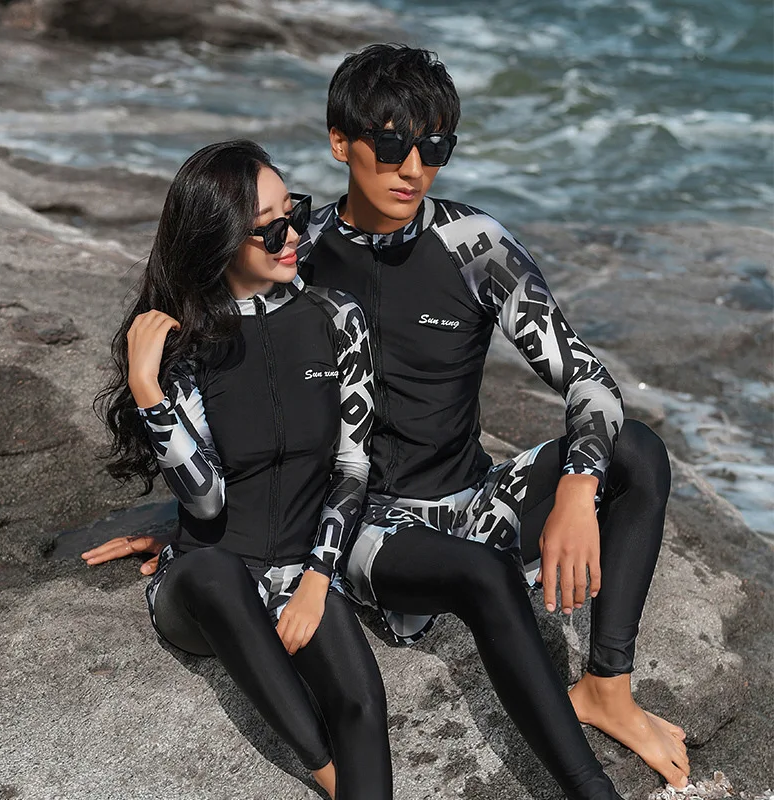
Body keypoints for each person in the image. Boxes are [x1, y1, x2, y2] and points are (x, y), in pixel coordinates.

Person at [87, 45, 690, 798]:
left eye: (434, 148)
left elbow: (588, 380)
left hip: (476, 502)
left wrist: (576, 486)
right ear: (341, 142)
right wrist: (193, 523)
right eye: (392, 144)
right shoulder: (297, 256)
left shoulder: (476, 246)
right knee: (481, 573)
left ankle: (607, 688)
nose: (413, 169)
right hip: (365, 527)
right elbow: (240, 396)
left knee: (636, 450)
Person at [92, 139, 392, 800]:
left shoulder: (337, 317)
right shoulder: (186, 342)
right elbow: (205, 503)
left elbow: (352, 465)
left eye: (296, 214)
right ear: (221, 240)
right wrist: (148, 392)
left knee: (363, 703)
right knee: (216, 570)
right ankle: (328, 774)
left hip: (298, 571)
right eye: (270, 228)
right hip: (204, 586)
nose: (294, 237)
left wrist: (317, 578)